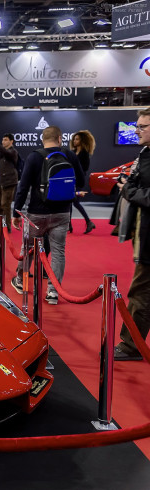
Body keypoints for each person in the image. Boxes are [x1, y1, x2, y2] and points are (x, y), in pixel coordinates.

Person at [10, 125, 84, 305]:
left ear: (42, 140)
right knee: (59, 252)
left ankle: (20, 281)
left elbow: (23, 186)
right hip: (63, 213)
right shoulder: (70, 155)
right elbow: (81, 181)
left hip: (37, 212)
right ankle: (53, 292)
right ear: (60, 138)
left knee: (27, 248)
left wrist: (16, 212)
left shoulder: (35, 156)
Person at [113, 108, 150, 361]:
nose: (136, 131)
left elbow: (136, 189)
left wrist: (129, 191)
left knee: (140, 291)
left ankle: (131, 346)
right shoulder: (145, 153)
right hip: (144, 232)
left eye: (142, 127)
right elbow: (134, 183)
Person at [69, 130, 96, 234]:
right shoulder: (73, 152)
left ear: (82, 140)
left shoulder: (84, 154)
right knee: (69, 202)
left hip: (78, 180)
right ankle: (69, 225)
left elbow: (84, 168)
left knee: (75, 202)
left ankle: (89, 222)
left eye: (77, 139)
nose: (75, 141)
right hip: (70, 179)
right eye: (74, 139)